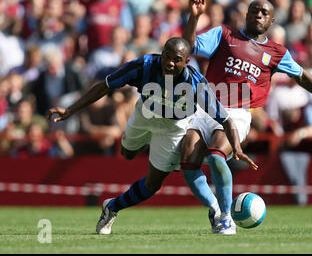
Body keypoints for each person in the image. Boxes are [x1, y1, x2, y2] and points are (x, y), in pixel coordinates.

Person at [47, 37, 257, 235]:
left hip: (173, 127)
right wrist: (70, 110)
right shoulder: (143, 66)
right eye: (168, 56)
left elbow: (226, 119)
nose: (171, 63)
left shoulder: (196, 84)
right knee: (127, 154)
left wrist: (237, 148)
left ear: (186, 62)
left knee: (153, 184)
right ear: (161, 53)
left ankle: (111, 207)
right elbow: (105, 85)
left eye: (177, 60)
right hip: (144, 115)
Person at [180, 0, 312, 235]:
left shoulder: (276, 52)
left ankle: (225, 218)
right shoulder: (224, 34)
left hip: (237, 112)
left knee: (215, 155)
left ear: (272, 21)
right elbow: (187, 47)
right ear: (246, 15)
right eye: (254, 10)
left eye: (265, 12)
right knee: (189, 165)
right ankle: (215, 208)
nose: (259, 14)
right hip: (205, 107)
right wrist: (193, 17)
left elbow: (301, 75)